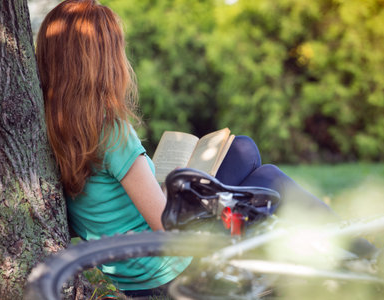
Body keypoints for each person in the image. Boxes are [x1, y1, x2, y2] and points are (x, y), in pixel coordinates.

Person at [35, 0, 349, 297]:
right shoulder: (111, 132)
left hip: (130, 270)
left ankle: (339, 239)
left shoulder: (52, 127)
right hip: (169, 266)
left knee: (242, 149)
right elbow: (164, 223)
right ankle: (357, 244)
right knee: (266, 177)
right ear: (103, 62)